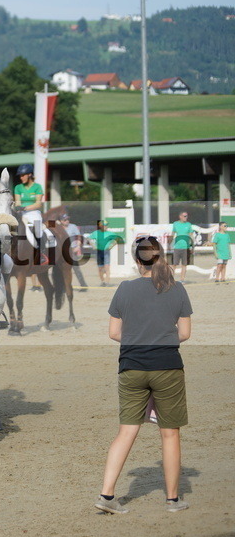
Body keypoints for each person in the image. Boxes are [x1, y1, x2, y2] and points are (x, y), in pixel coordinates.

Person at [96, 236, 192, 514]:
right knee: (170, 434)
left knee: (126, 431)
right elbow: (184, 334)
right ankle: (173, 499)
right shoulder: (177, 288)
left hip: (131, 367)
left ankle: (107, 494)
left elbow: (114, 333)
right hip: (167, 366)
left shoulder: (124, 289)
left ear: (138, 261)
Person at [13, 163, 54, 257]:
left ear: (30, 174)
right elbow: (18, 202)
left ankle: (41, 252)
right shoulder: (18, 187)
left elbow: (38, 203)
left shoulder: (37, 187)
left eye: (23, 175)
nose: (21, 178)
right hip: (21, 213)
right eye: (20, 176)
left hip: (34, 213)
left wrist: (25, 207)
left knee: (37, 230)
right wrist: (19, 207)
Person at [169, 212, 207, 283]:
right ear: (180, 216)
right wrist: (169, 244)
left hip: (186, 247)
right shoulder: (175, 224)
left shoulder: (188, 225)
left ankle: (182, 280)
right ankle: (171, 279)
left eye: (186, 216)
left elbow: (191, 236)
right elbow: (172, 234)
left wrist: (192, 247)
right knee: (174, 264)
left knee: (184, 264)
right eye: (184, 216)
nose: (186, 217)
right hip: (177, 247)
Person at [87, 220, 123, 286]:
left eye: (106, 225)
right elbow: (89, 239)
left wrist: (112, 245)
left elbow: (118, 238)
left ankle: (107, 282)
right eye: (104, 225)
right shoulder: (96, 233)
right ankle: (103, 282)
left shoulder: (109, 233)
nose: (106, 227)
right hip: (99, 252)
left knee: (107, 268)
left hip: (106, 252)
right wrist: (93, 245)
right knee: (100, 269)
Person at [60, 214, 89, 291]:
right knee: (62, 269)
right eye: (65, 220)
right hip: (62, 250)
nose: (67, 221)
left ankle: (83, 285)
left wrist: (78, 246)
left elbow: (79, 237)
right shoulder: (59, 228)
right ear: (61, 221)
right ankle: (63, 287)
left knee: (76, 269)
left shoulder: (73, 226)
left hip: (72, 249)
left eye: (68, 219)